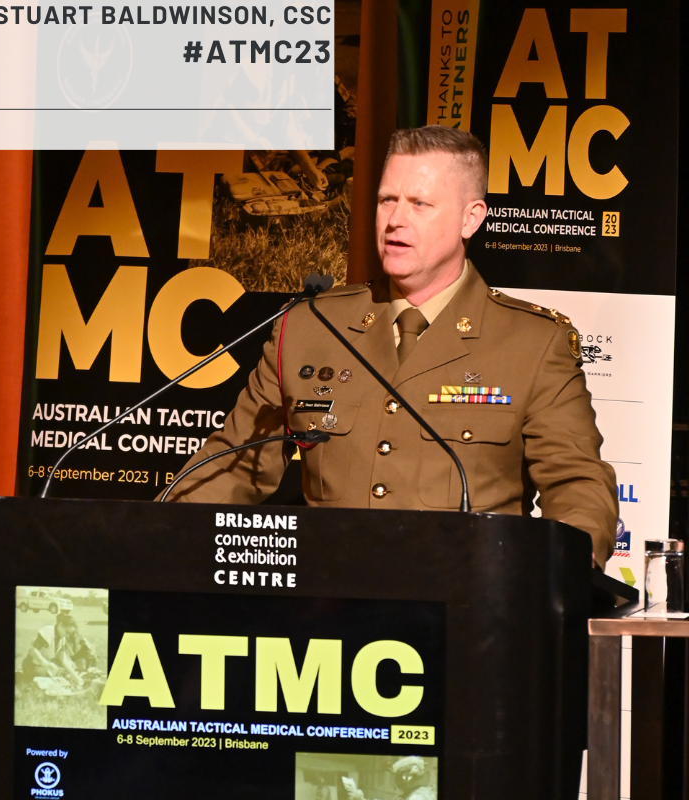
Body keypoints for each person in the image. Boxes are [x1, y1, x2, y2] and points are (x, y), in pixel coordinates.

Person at [165, 125, 618, 567]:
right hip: (326, 609)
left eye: (420, 204)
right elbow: (232, 466)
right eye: (387, 200)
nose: (395, 220)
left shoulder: (532, 343)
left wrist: (565, 573)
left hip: (467, 615)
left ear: (470, 218)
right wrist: (152, 539)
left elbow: (577, 485)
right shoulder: (309, 326)